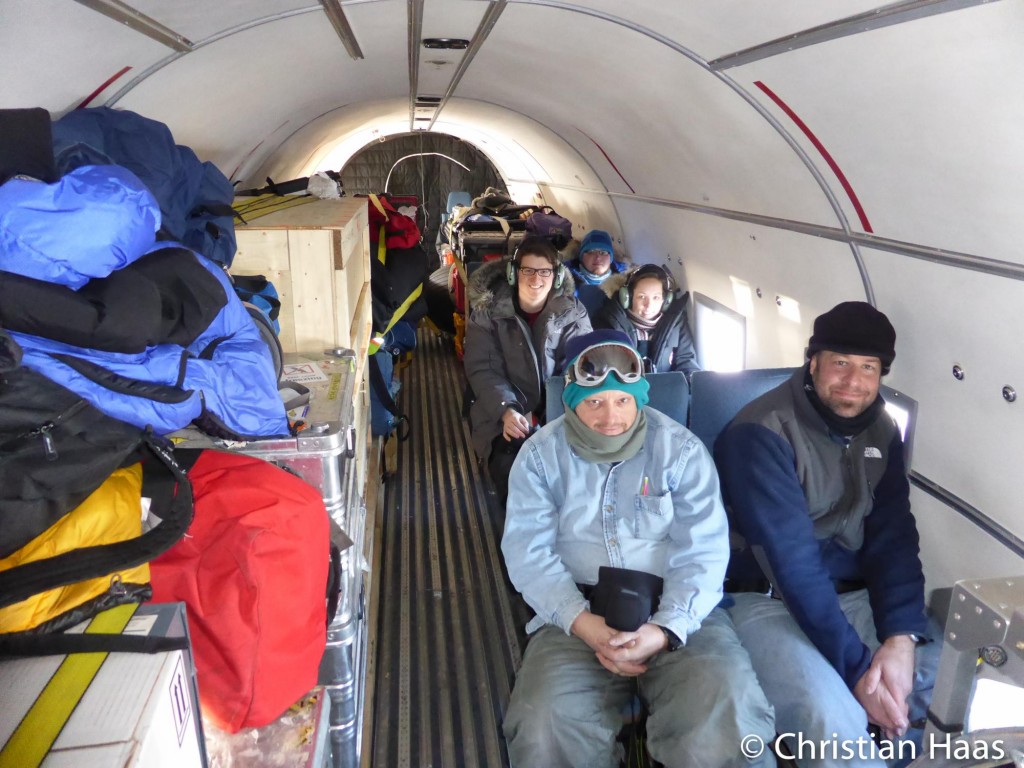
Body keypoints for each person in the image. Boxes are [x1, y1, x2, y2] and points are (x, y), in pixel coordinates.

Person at [501, 330, 775, 768]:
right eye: (594, 402)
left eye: (623, 400)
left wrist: (665, 629)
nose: (611, 417)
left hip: (682, 615)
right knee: (544, 730)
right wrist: (584, 624)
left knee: (727, 724)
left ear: (639, 398)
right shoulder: (539, 457)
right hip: (574, 617)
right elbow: (527, 553)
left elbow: (703, 553)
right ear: (571, 400)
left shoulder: (681, 452)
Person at [715, 302, 934, 767]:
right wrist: (859, 672)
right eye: (840, 363)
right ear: (813, 362)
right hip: (767, 599)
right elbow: (791, 563)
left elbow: (893, 535)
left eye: (868, 368)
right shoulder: (760, 432)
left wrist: (900, 637)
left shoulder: (882, 427)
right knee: (831, 721)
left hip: (850, 595)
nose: (853, 381)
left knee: (929, 684)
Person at [463, 236, 591, 503]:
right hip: (502, 412)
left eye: (544, 271)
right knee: (515, 476)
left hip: (558, 413)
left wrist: (555, 415)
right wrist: (505, 410)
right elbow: (483, 370)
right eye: (528, 270)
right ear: (513, 274)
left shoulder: (573, 314)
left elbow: (580, 366)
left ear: (555, 277)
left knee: (576, 479)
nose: (536, 279)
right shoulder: (487, 314)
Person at [595, 263, 700, 377]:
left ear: (666, 301)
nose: (648, 305)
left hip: (665, 391)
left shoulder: (676, 323)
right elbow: (601, 368)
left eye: (656, 297)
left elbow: (687, 362)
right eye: (642, 297)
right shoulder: (608, 321)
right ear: (627, 298)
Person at [565, 229, 630, 317]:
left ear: (610, 258)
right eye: (591, 252)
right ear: (581, 257)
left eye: (602, 252)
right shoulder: (565, 280)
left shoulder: (626, 283)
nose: (597, 258)